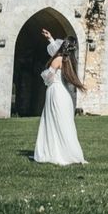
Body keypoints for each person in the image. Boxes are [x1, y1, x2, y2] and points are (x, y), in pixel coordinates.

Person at [34, 29, 87, 165]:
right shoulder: (67, 61)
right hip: (63, 94)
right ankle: (67, 152)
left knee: (53, 121)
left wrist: (45, 73)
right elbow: (54, 50)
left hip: (55, 91)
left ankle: (55, 153)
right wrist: (50, 38)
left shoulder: (58, 59)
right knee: (62, 123)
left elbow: (48, 77)